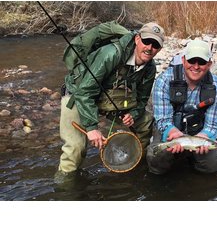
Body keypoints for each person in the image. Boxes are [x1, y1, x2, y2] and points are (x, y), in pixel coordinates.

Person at [56, 22, 165, 180]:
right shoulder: (111, 54)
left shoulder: (150, 68)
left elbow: (142, 99)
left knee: (146, 122)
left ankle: (135, 166)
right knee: (75, 148)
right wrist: (92, 127)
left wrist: (133, 114)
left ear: (159, 49)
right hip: (78, 95)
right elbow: (85, 91)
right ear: (137, 39)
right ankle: (64, 185)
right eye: (146, 41)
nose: (149, 47)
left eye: (155, 45)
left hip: (110, 98)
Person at [146, 39, 217, 175]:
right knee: (157, 162)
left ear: (209, 64)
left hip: (200, 133)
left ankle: (194, 162)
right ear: (183, 60)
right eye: (191, 61)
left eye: (201, 62)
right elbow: (163, 120)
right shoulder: (165, 80)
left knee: (212, 165)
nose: (196, 66)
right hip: (171, 132)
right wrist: (172, 132)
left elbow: (213, 126)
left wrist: (205, 137)